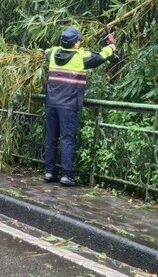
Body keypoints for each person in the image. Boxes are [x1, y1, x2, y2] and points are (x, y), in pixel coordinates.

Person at [43, 26, 116, 186]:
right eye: (79, 41)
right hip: (68, 105)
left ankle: (49, 172)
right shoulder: (81, 57)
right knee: (68, 140)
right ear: (76, 44)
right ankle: (66, 175)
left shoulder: (52, 53)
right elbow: (101, 56)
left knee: (51, 139)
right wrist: (110, 46)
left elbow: (46, 52)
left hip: (51, 104)